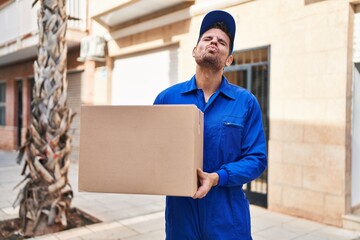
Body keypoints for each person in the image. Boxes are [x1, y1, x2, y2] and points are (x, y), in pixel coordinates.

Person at [154, 10, 267, 240]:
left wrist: (217, 177)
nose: (214, 41)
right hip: (181, 221)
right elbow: (151, 150)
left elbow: (257, 160)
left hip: (228, 220)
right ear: (195, 50)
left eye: (222, 42)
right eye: (207, 38)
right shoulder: (167, 99)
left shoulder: (245, 103)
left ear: (229, 59)